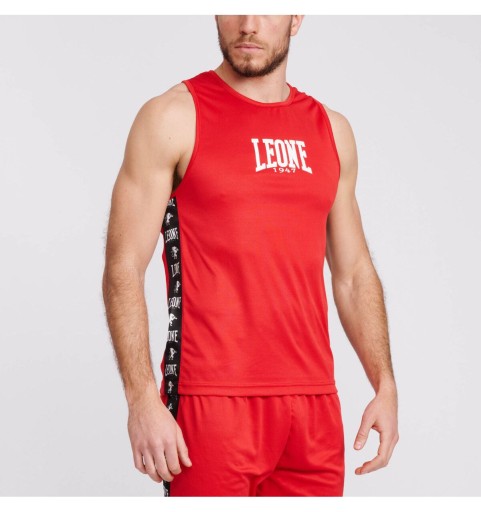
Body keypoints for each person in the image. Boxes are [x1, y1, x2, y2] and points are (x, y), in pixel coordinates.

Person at [102, 15, 399, 497]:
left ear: (296, 17)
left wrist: (384, 383)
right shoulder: (173, 117)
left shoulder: (331, 130)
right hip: (210, 404)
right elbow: (123, 266)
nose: (248, 24)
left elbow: (353, 272)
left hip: (313, 409)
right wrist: (140, 400)